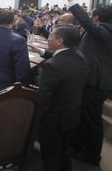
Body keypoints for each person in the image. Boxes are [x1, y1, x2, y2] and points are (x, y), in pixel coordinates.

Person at [64, 0, 112, 166]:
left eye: (92, 17)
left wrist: (72, 1)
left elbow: (86, 23)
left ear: (96, 18)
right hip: (88, 80)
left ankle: (93, 155)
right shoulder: (105, 30)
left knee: (92, 120)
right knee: (83, 116)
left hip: (95, 83)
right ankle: (79, 146)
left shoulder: (108, 31)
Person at [38, 25, 90, 171]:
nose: (48, 38)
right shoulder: (81, 58)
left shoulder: (52, 66)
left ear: (60, 41)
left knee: (50, 155)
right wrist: (42, 52)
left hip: (54, 120)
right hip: (72, 115)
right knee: (64, 152)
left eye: (51, 36)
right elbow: (63, 60)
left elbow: (44, 97)